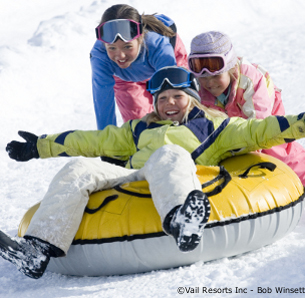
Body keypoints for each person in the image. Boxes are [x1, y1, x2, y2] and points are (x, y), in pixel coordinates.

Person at [3, 66, 305, 280]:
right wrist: (40, 146)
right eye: (162, 99)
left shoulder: (217, 127)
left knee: (169, 153)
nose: (168, 104)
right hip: (134, 178)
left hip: (183, 172)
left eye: (177, 96)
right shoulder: (140, 128)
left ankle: (183, 220)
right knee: (79, 167)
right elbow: (91, 140)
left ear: (192, 98)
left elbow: (264, 129)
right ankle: (37, 250)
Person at [187, 30, 305, 185]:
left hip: (263, 116)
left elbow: (259, 128)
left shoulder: (250, 79)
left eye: (216, 76)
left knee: (274, 149)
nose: (209, 83)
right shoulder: (200, 91)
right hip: (231, 120)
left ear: (229, 68)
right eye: (203, 77)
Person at [90, 4, 188, 130]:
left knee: (173, 109)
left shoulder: (157, 46)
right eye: (112, 48)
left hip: (167, 67)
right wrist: (105, 138)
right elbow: (103, 101)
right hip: (126, 78)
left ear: (140, 38)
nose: (120, 55)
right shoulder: (100, 56)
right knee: (139, 126)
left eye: (127, 47)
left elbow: (173, 90)